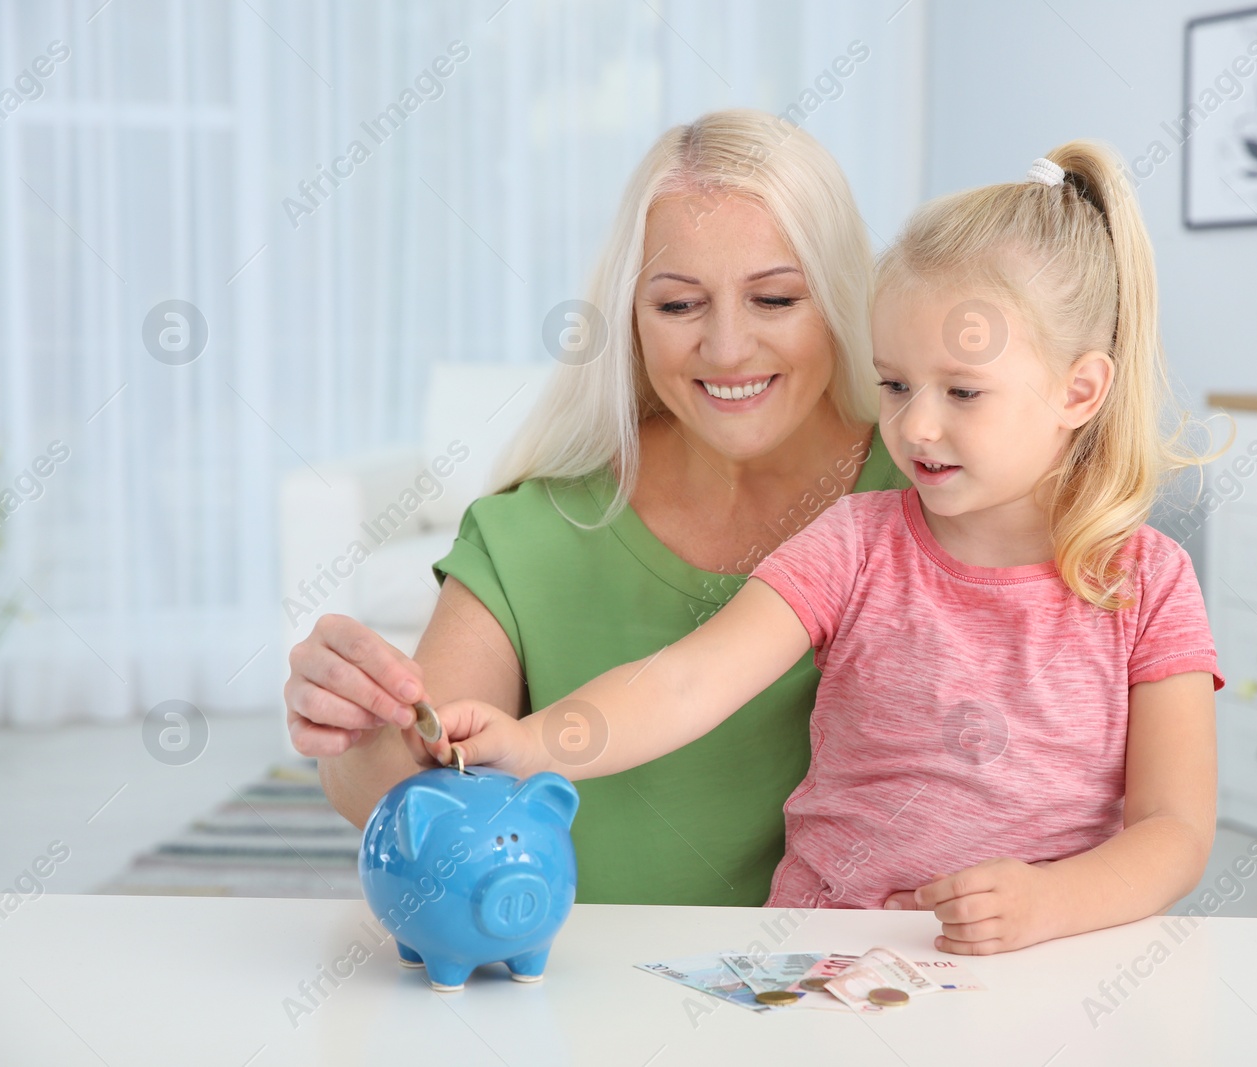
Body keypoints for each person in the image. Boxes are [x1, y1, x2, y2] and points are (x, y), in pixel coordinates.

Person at [421, 144, 1233, 957]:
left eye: (961, 390)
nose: (917, 425)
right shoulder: (853, 540)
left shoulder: (1148, 584)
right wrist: (532, 743)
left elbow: (1175, 829)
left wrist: (1050, 900)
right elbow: (685, 682)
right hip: (822, 962)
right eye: (895, 384)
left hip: (1042, 961)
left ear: (1080, 390)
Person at [285, 109, 910, 906]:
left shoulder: (938, 497)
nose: (725, 348)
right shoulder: (539, 531)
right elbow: (406, 791)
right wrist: (360, 726)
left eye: (775, 299)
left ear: (841, 298)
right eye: (679, 305)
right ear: (632, 318)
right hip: (592, 1008)